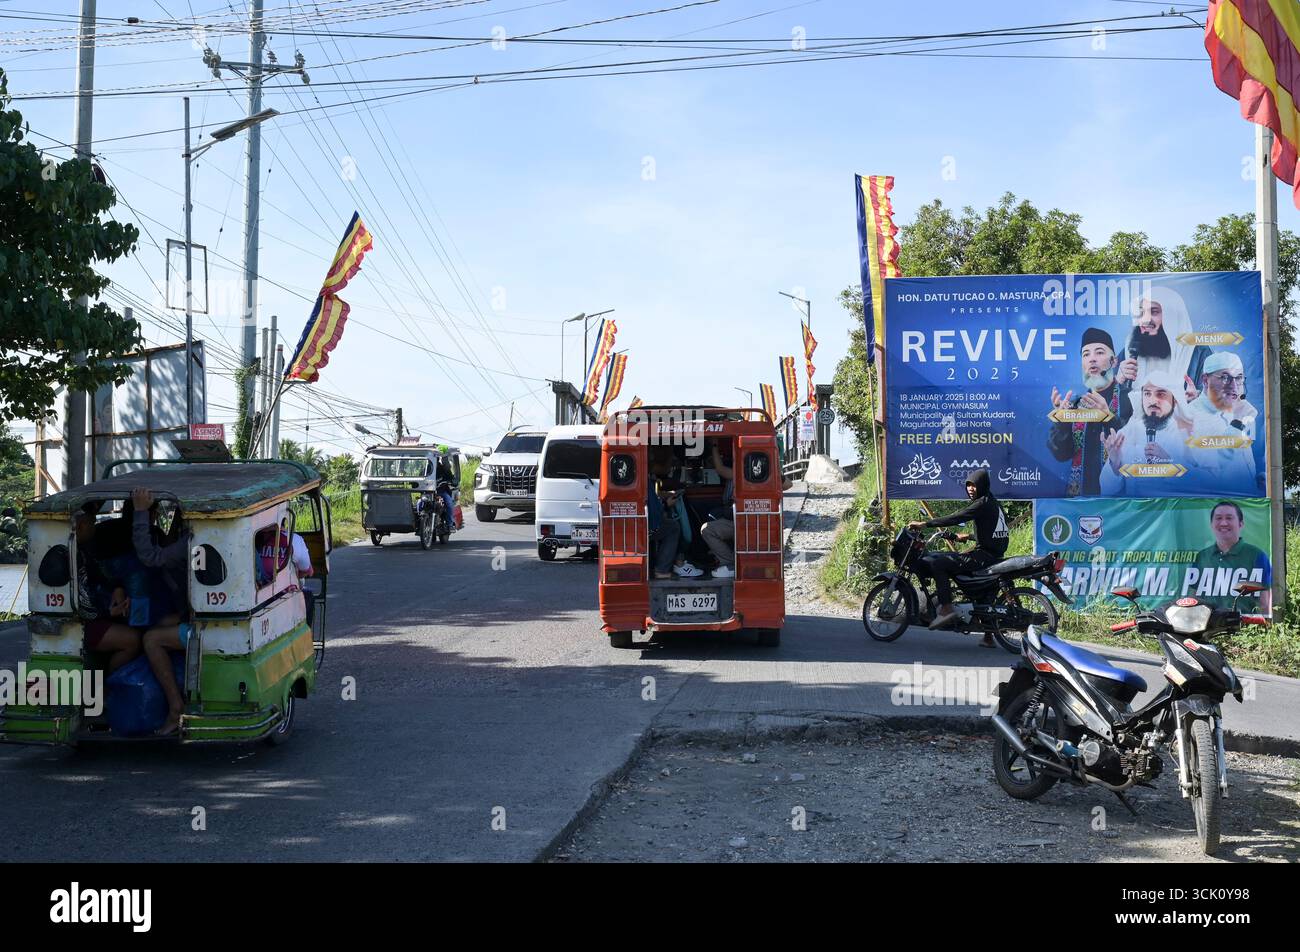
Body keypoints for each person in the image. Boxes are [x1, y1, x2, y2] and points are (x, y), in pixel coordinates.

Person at [907, 468, 1010, 643]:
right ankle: (988, 635)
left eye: (974, 485)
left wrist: (925, 524)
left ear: (982, 485)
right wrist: (967, 536)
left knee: (940, 563)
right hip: (993, 554)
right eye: (968, 485)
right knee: (977, 586)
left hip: (985, 555)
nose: (971, 489)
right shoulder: (993, 502)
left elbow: (956, 517)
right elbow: (993, 531)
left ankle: (946, 608)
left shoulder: (981, 503)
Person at [131, 488, 192, 737]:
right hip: (199, 616)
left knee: (151, 639)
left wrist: (140, 513)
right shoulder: (202, 536)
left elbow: (150, 556)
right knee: (160, 623)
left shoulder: (190, 542)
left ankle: (176, 707)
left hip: (203, 627)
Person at [1047, 327, 1133, 496]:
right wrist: (1062, 421)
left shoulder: (1131, 398)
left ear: (1114, 361)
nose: (1092, 359)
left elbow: (1135, 448)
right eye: (1086, 354)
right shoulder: (1075, 404)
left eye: (1099, 353)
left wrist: (1107, 417)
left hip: (1121, 500)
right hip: (1080, 500)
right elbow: (1061, 455)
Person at [1100, 371, 1197, 497]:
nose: (1153, 401)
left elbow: (1204, 486)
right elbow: (1107, 490)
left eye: (1161, 394)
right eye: (1147, 394)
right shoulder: (1127, 433)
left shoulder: (1187, 435)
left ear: (1175, 400)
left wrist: (1169, 464)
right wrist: (1115, 464)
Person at [73, 509, 142, 673]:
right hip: (81, 623)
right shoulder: (72, 554)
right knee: (133, 640)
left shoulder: (85, 551)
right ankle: (108, 684)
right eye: (92, 524)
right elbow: (83, 605)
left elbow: (100, 574)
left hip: (95, 615)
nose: (95, 528)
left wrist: (116, 588)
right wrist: (109, 612)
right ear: (82, 526)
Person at [1116, 286, 1211, 402]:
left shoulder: (1200, 354)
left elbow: (1217, 407)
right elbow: (1112, 411)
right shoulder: (1128, 353)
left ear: (1172, 317)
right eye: (1141, 312)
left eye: (1154, 312)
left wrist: (1197, 402)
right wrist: (1118, 382)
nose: (1145, 319)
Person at [1187, 351, 1260, 491]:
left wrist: (1254, 480)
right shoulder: (1189, 417)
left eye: (1238, 378)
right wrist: (1237, 425)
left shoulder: (1239, 410)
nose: (1234, 386)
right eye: (1225, 377)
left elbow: (1243, 461)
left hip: (1249, 505)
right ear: (1205, 380)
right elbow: (1208, 476)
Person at [1192, 501, 1272, 614]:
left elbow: (1265, 603)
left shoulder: (1257, 555)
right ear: (1211, 524)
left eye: (1229, 518)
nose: (1223, 523)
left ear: (1241, 524)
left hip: (1245, 628)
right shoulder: (1202, 556)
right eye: (1218, 518)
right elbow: (1194, 598)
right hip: (1208, 627)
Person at [646, 447, 696, 579]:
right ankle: (662, 570)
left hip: (637, 526)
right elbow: (654, 509)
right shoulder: (645, 478)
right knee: (673, 527)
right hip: (647, 527)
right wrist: (666, 504)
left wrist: (666, 495)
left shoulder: (640, 475)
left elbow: (652, 497)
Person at [701, 440, 736, 579]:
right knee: (712, 514)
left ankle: (729, 563)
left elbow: (720, 469)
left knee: (707, 529)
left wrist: (714, 444)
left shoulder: (739, 472)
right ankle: (719, 554)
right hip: (733, 516)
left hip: (739, 522)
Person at [435, 446, 457, 529]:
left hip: (441, 491)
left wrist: (452, 481)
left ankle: (449, 523)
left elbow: (450, 477)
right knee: (419, 504)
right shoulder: (427, 468)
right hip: (428, 492)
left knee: (449, 503)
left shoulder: (444, 469)